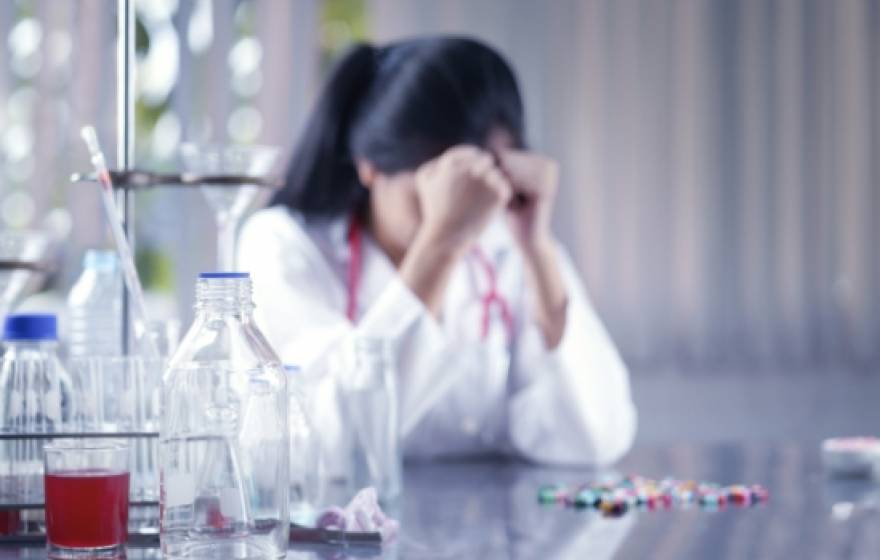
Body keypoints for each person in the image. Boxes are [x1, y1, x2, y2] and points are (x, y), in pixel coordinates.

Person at [238, 36, 636, 466]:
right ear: (369, 165)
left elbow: (597, 441)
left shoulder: (509, 247)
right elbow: (330, 448)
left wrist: (537, 248)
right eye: (443, 192)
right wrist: (442, 241)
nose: (470, 215)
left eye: (482, 193)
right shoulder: (284, 244)